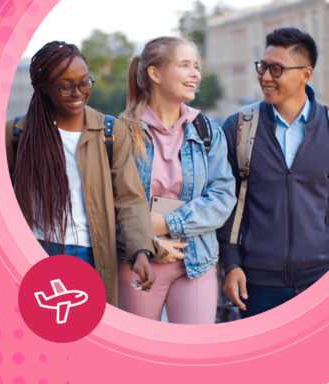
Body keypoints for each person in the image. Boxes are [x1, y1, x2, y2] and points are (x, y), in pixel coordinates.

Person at [6, 41, 174, 307]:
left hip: (90, 255)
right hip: (32, 252)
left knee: (87, 339)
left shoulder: (110, 132)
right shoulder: (16, 134)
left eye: (85, 82)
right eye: (65, 85)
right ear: (43, 88)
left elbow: (129, 199)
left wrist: (141, 251)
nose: (79, 92)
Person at [117, 36, 236, 324]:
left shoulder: (209, 132)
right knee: (139, 358)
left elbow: (223, 197)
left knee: (194, 359)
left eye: (196, 66)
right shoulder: (119, 133)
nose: (195, 74)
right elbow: (106, 204)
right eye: (184, 65)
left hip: (196, 263)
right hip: (138, 263)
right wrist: (148, 234)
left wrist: (170, 223)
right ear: (154, 73)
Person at [217, 28, 329, 319]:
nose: (265, 77)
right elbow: (225, 202)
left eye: (276, 69)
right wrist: (231, 264)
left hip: (320, 280)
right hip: (255, 285)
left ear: (306, 74)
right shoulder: (239, 127)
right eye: (263, 66)